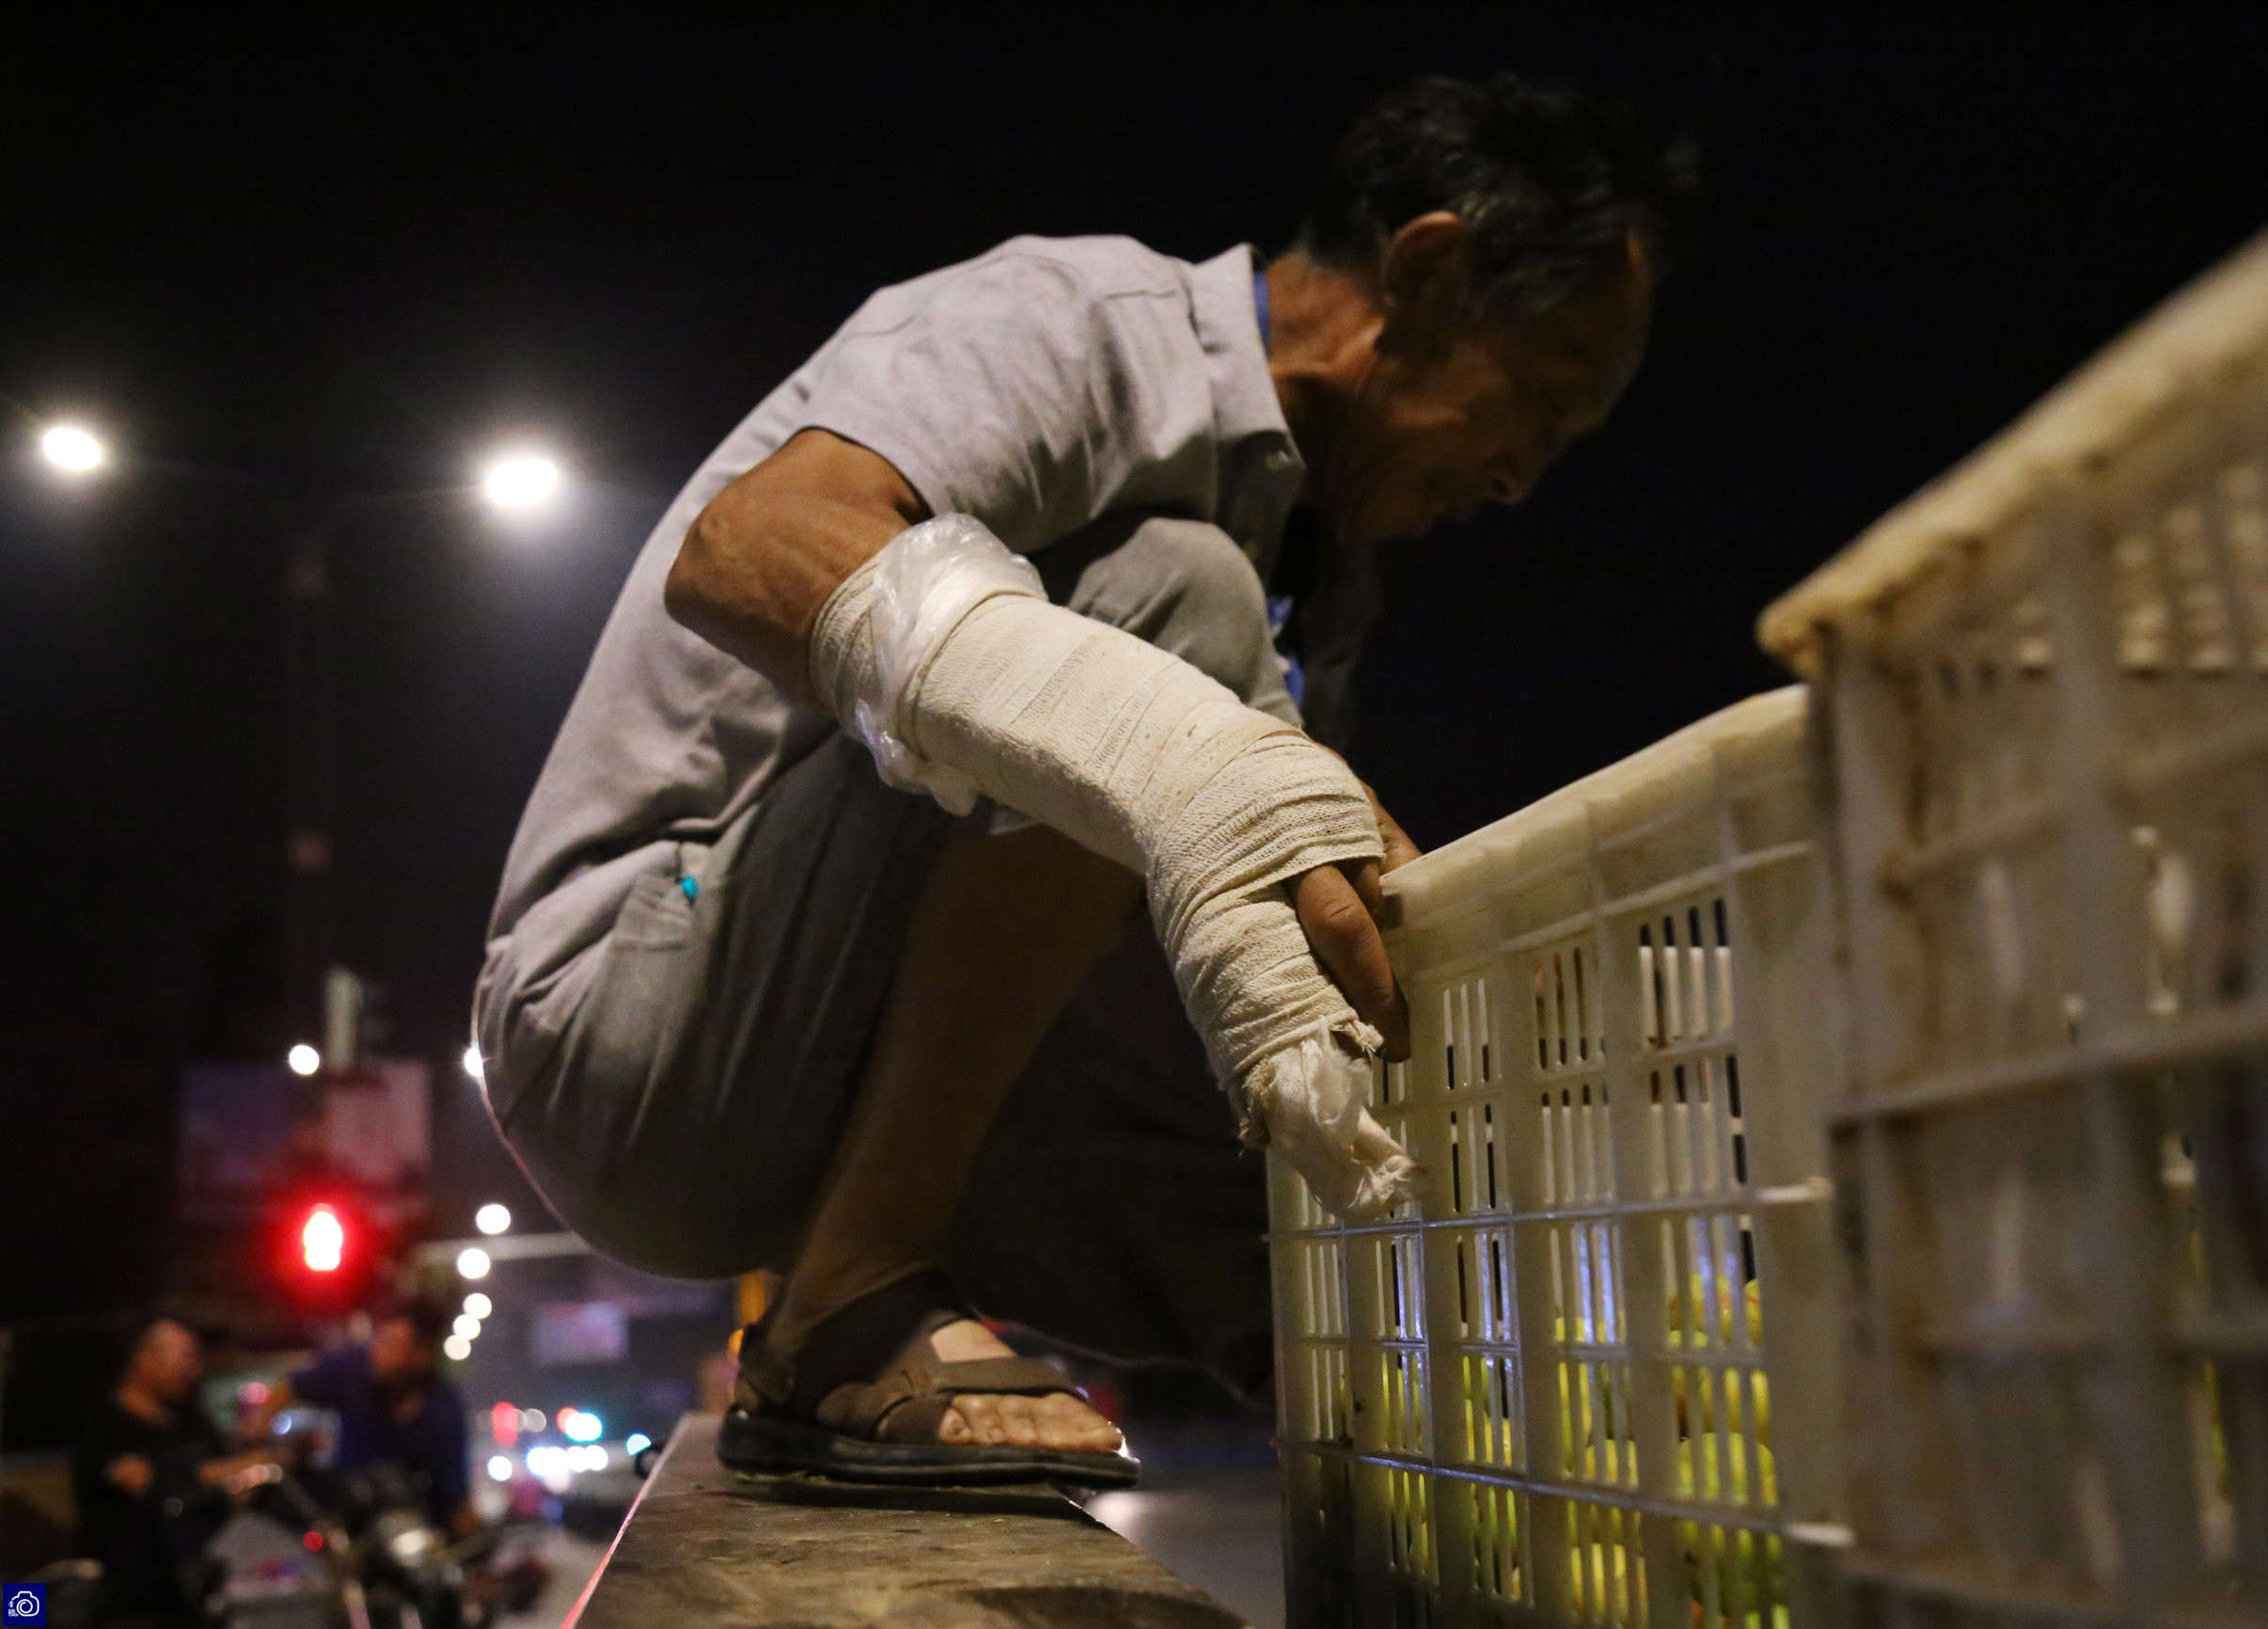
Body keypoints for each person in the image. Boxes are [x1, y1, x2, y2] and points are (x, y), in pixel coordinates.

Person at [474, 71, 1689, 1485]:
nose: (1521, 480)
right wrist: (1185, 754)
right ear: (1425, 271)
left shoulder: (1321, 567)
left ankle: (1392, 1417)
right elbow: (744, 547)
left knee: (1334, 1267)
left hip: (832, 1066)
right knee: (1181, 603)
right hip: (630, 1034)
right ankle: (854, 1297)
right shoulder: (1081, 329)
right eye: (1537, 405)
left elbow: (1132, 907)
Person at [73, 1320, 269, 1626]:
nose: (194, 1371)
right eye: (186, 1358)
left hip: (209, 1583)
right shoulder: (105, 1422)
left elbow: (236, 1470)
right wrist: (230, 1469)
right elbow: (145, 1479)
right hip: (133, 1598)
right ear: (146, 1357)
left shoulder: (190, 1419)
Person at [244, 1300, 475, 1535]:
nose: (379, 1351)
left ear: (423, 1355)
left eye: (394, 1343)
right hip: (347, 1512)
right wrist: (256, 1429)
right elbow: (293, 1385)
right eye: (380, 1339)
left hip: (410, 1526)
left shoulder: (445, 1408)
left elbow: (455, 1493)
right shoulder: (353, 1367)